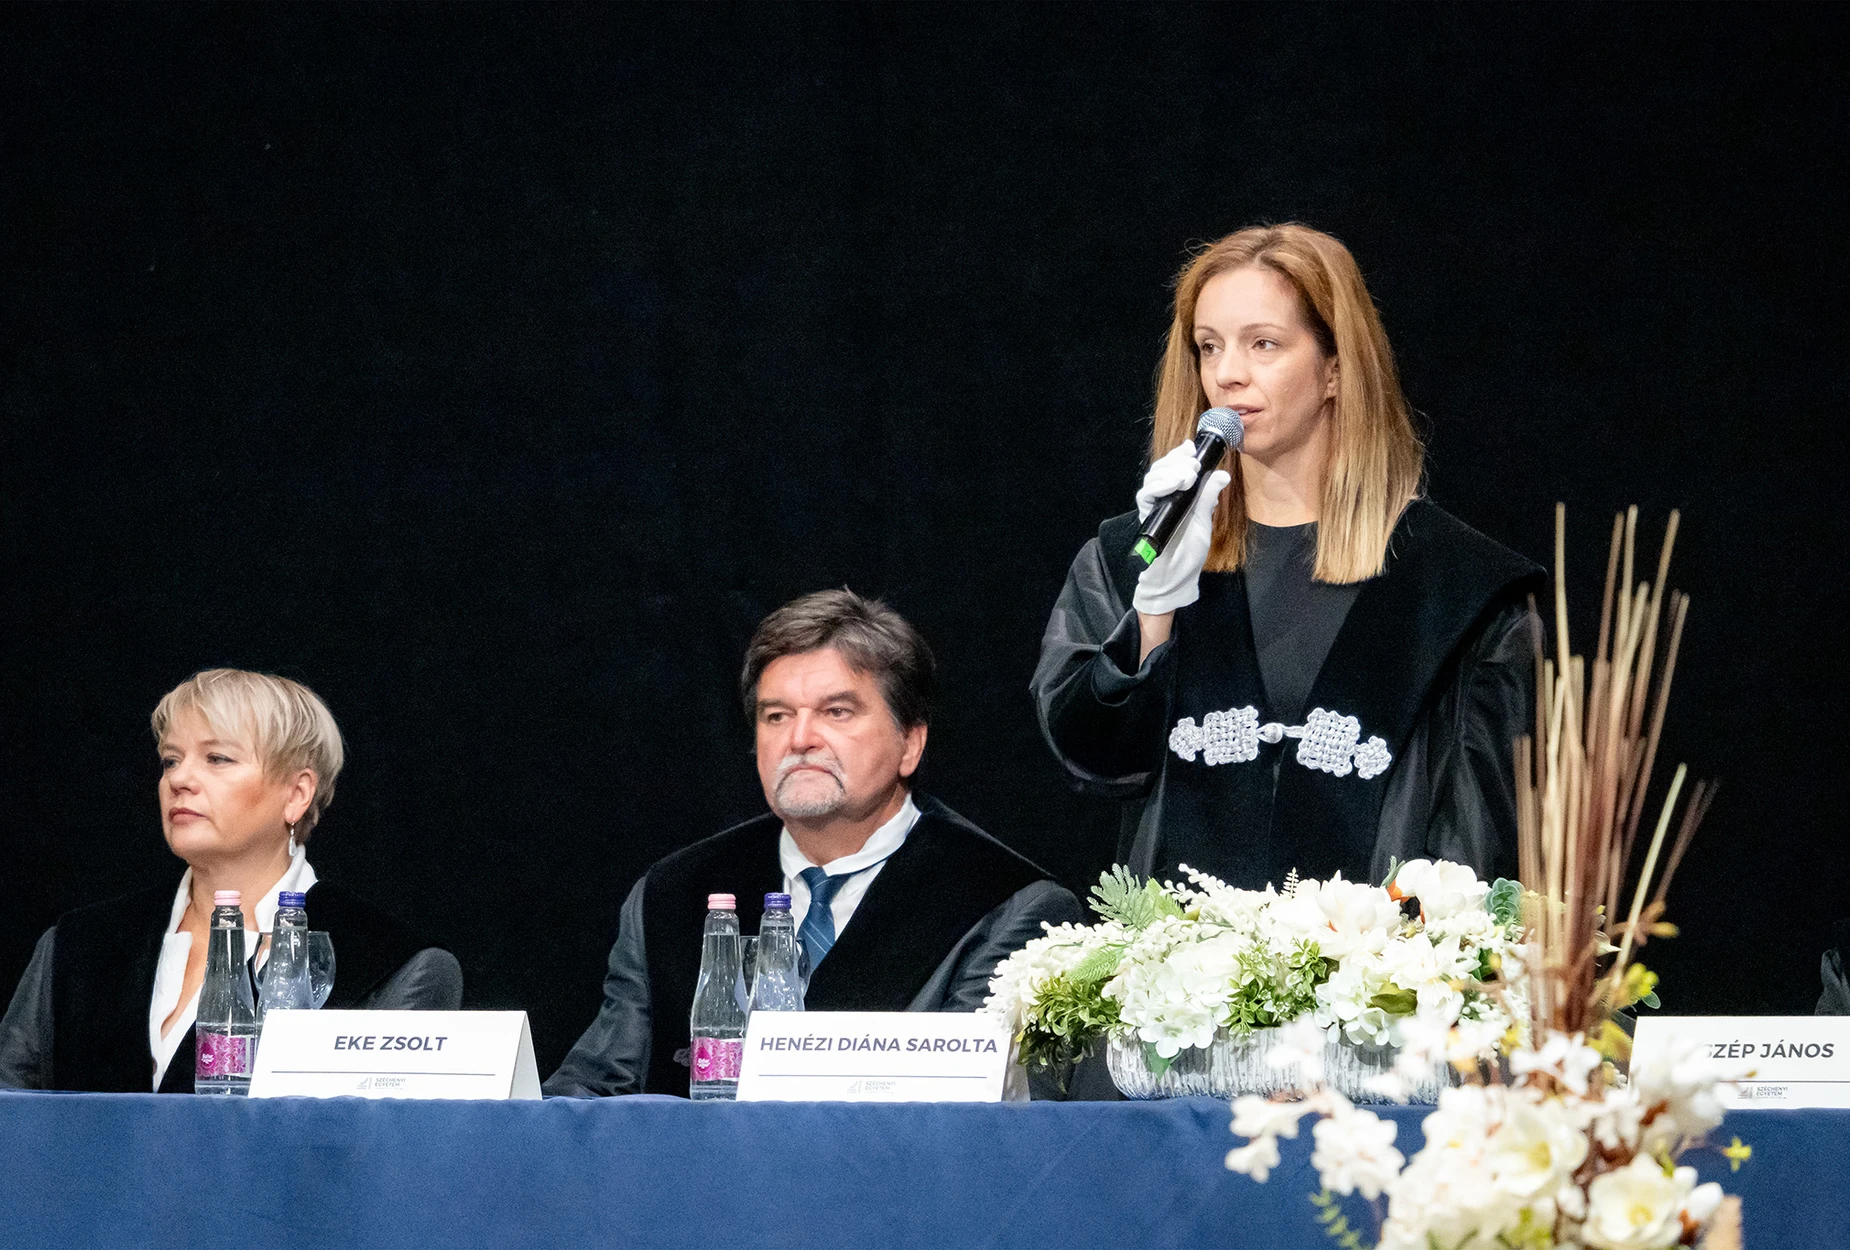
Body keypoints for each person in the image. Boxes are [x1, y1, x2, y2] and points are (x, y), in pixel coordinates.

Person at [1033, 223, 1542, 893]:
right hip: (1180, 982)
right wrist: (1153, 608)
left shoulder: (1464, 588)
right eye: (1208, 347)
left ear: (1335, 368)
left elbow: (1482, 847)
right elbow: (1092, 760)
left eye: (1263, 344)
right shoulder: (1131, 556)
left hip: (1379, 981)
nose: (1227, 373)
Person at [546, 589, 1083, 1098]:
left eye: (836, 712)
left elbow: (971, 1114)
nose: (799, 739)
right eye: (776, 716)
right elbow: (591, 1090)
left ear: (910, 744)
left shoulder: (1004, 904)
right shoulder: (675, 893)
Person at [0, 668, 462, 1093]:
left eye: (217, 758)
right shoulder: (79, 945)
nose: (180, 779)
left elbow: (370, 1157)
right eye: (170, 760)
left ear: (297, 794)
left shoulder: (390, 963)